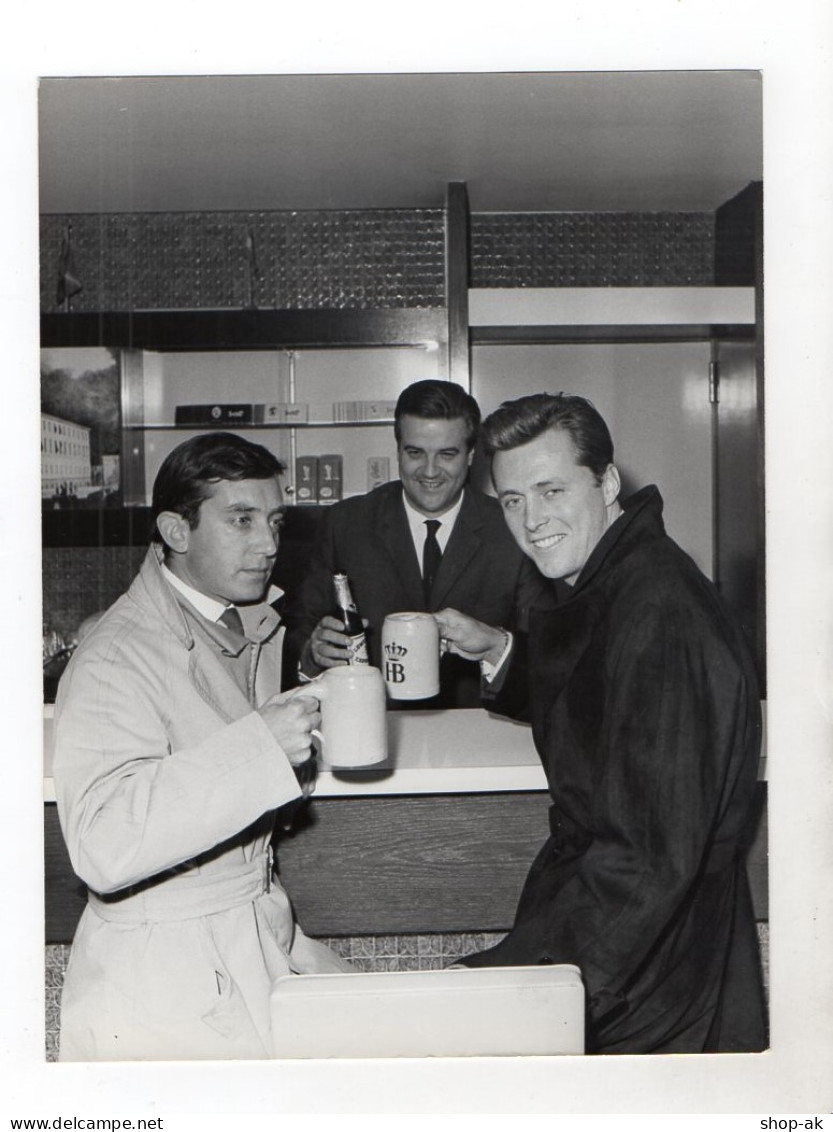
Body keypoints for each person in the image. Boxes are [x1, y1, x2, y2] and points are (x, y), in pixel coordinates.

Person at [435, 393, 767, 1054]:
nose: (531, 521)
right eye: (511, 500)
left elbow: (647, 860)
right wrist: (500, 651)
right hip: (634, 931)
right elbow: (600, 697)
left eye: (551, 489)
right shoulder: (613, 576)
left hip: (649, 959)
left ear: (606, 481)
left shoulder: (659, 611)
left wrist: (542, 991)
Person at [52, 432, 351, 1062]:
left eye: (273, 520)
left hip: (244, 936)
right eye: (241, 520)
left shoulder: (244, 622)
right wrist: (263, 747)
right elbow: (102, 845)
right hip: (163, 975)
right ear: (175, 530)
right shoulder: (117, 654)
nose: (269, 544)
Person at [283, 379, 548, 707]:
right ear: (397, 450)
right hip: (370, 725)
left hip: (482, 731)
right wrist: (313, 653)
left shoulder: (511, 526)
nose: (430, 471)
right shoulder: (346, 523)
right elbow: (299, 633)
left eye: (447, 454)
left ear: (470, 455)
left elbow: (545, 650)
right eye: (415, 453)